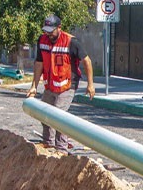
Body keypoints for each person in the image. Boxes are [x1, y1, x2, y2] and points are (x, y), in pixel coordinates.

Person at [26, 14, 95, 153]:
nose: (48, 34)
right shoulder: (42, 40)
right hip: (50, 85)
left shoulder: (71, 42)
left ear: (59, 28)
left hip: (67, 85)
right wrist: (34, 86)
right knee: (44, 114)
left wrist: (90, 84)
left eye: (51, 31)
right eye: (46, 31)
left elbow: (87, 61)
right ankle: (48, 143)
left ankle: (61, 149)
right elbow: (39, 63)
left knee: (58, 117)